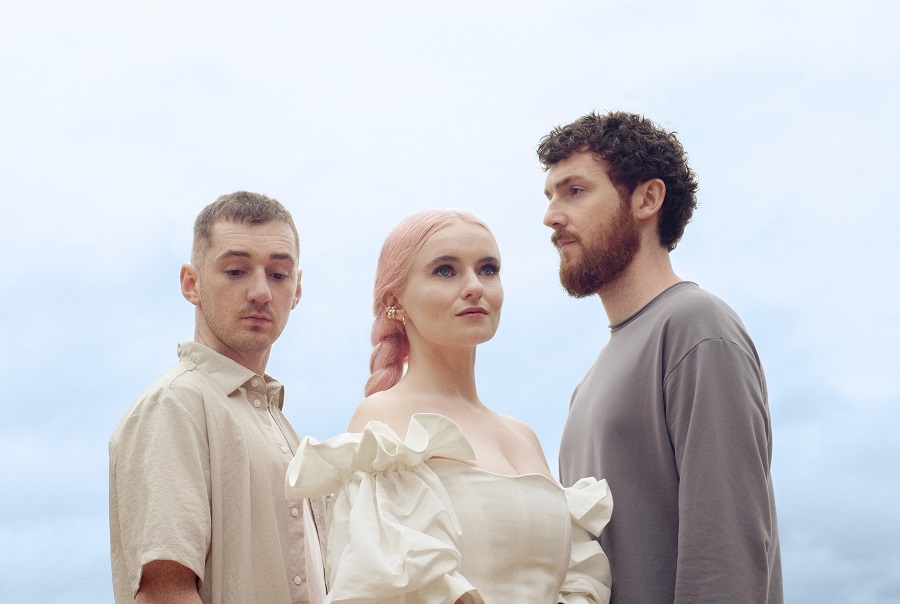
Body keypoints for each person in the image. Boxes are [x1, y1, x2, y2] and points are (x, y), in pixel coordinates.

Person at [285, 210, 613, 603]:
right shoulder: (385, 419)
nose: (474, 286)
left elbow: (579, 579)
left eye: (488, 269)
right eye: (446, 271)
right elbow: (389, 585)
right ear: (394, 302)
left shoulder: (523, 435)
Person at [537, 111, 783, 603]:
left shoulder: (697, 327)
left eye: (575, 191)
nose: (552, 217)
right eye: (549, 197)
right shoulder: (586, 386)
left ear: (647, 199)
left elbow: (726, 552)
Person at [109, 191, 326, 604]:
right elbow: (164, 595)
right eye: (236, 271)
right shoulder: (175, 405)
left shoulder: (280, 426)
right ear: (192, 284)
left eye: (279, 274)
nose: (260, 291)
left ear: (297, 290)